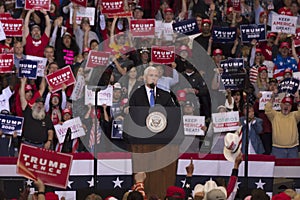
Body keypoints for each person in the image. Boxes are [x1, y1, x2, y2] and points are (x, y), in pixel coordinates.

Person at [19, 77, 54, 149]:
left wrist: (49, 141)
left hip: (41, 146)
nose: (40, 105)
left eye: (42, 104)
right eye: (38, 103)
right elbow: (22, 96)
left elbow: (50, 130)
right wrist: (23, 83)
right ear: (34, 104)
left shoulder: (46, 116)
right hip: (27, 144)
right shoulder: (28, 111)